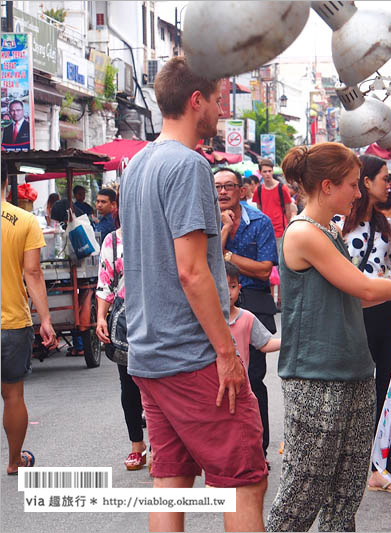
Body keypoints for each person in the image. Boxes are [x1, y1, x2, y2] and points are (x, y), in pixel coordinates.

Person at [119, 56, 267, 532]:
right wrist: (226, 352)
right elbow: (192, 272)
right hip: (192, 354)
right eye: (219, 101)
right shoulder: (187, 166)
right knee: (244, 479)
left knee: (171, 478)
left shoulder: (138, 165)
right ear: (196, 101)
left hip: (148, 353)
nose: (223, 111)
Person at [265, 143, 391, 532]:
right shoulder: (305, 233)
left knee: (345, 496)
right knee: (302, 491)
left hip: (352, 369)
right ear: (327, 186)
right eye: (352, 185)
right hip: (316, 375)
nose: (358, 193)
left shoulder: (327, 230)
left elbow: (350, 297)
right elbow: (362, 289)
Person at [335, 155, 391, 494]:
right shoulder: (338, 224)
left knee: (387, 388)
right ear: (366, 182)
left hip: (385, 312)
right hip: (354, 312)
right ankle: (342, 461)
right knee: (349, 386)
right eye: (384, 178)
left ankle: (378, 466)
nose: (390, 184)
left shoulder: (384, 226)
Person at [215, 166, 279, 460]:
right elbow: (202, 262)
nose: (223, 192)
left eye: (229, 186)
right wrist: (224, 231)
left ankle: (258, 448)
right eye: (217, 188)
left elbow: (264, 270)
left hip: (252, 301)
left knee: (253, 378)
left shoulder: (260, 222)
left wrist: (226, 255)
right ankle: (226, 448)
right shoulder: (205, 223)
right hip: (214, 305)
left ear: (242, 191)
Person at [1, 167, 58, 475]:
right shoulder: (24, 221)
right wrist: (46, 319)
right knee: (13, 394)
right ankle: (14, 461)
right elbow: (33, 274)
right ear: (7, 182)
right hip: (11, 323)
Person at [95, 226, 147, 471]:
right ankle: (137, 446)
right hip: (125, 320)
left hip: (159, 315)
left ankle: (160, 446)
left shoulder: (159, 229)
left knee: (160, 383)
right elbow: (105, 283)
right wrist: (101, 318)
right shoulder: (112, 241)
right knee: (128, 384)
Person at [225, 261, 281, 369]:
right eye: (223, 286)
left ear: (239, 287)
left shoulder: (246, 318)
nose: (228, 292)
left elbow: (265, 344)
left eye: (232, 286)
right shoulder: (205, 319)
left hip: (241, 381)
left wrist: (290, 342)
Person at [253, 158, 294, 244]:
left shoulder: (282, 188)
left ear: (272, 171)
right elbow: (259, 210)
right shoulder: (258, 190)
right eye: (264, 171)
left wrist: (289, 228)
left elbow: (288, 211)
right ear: (260, 173)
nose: (267, 174)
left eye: (269, 171)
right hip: (265, 230)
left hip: (280, 230)